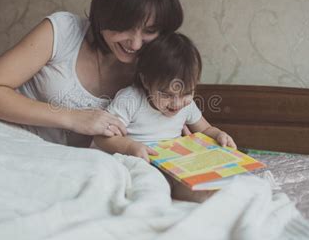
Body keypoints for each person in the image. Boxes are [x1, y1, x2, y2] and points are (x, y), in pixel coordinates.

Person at [0, 0, 183, 148]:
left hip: (72, 167)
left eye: (149, 31)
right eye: (125, 27)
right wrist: (72, 118)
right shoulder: (63, 31)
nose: (135, 44)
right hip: (9, 139)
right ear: (104, 14)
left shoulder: (154, 68)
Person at [93, 32, 237, 202]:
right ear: (146, 81)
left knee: (208, 186)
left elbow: (205, 129)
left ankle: (215, 199)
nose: (177, 103)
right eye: (167, 95)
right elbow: (101, 137)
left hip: (173, 166)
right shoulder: (130, 99)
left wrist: (218, 135)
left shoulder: (187, 105)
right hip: (135, 163)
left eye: (187, 93)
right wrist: (130, 147)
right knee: (151, 186)